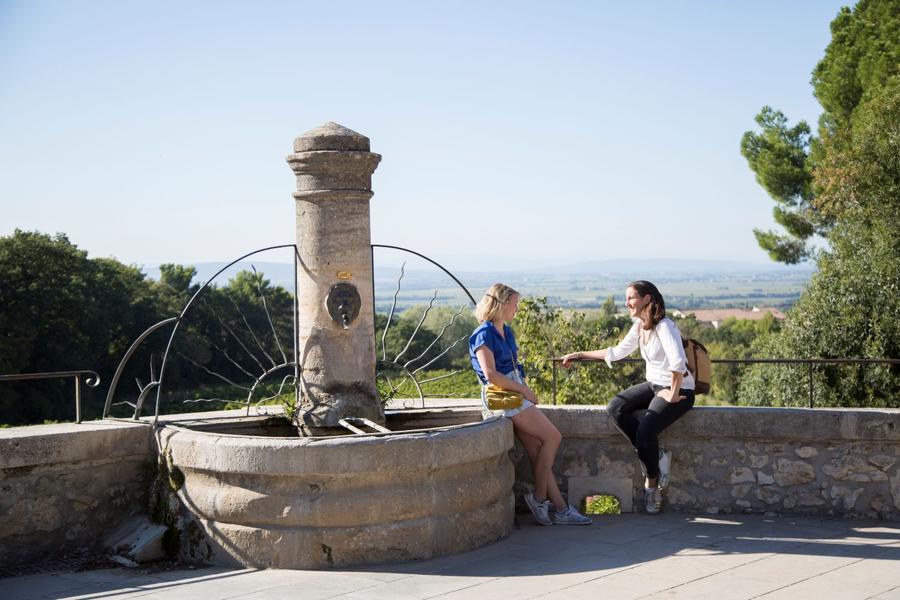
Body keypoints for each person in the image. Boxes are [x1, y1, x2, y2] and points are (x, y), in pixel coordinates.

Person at [561, 280, 695, 515]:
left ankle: (652, 485)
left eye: (631, 298)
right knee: (616, 407)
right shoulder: (639, 326)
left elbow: (678, 363)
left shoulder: (665, 326)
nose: (627, 303)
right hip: (655, 384)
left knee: (645, 431)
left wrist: (673, 394)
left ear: (646, 299)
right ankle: (653, 455)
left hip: (679, 389)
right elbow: (617, 352)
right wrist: (580, 354)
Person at [469, 283, 591, 526]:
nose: (517, 309)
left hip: (514, 393)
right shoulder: (483, 334)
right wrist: (525, 390)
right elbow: (491, 374)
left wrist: (523, 388)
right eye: (514, 304)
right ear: (501, 304)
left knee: (537, 452)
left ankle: (561, 509)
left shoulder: (507, 331)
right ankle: (538, 498)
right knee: (553, 437)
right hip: (504, 396)